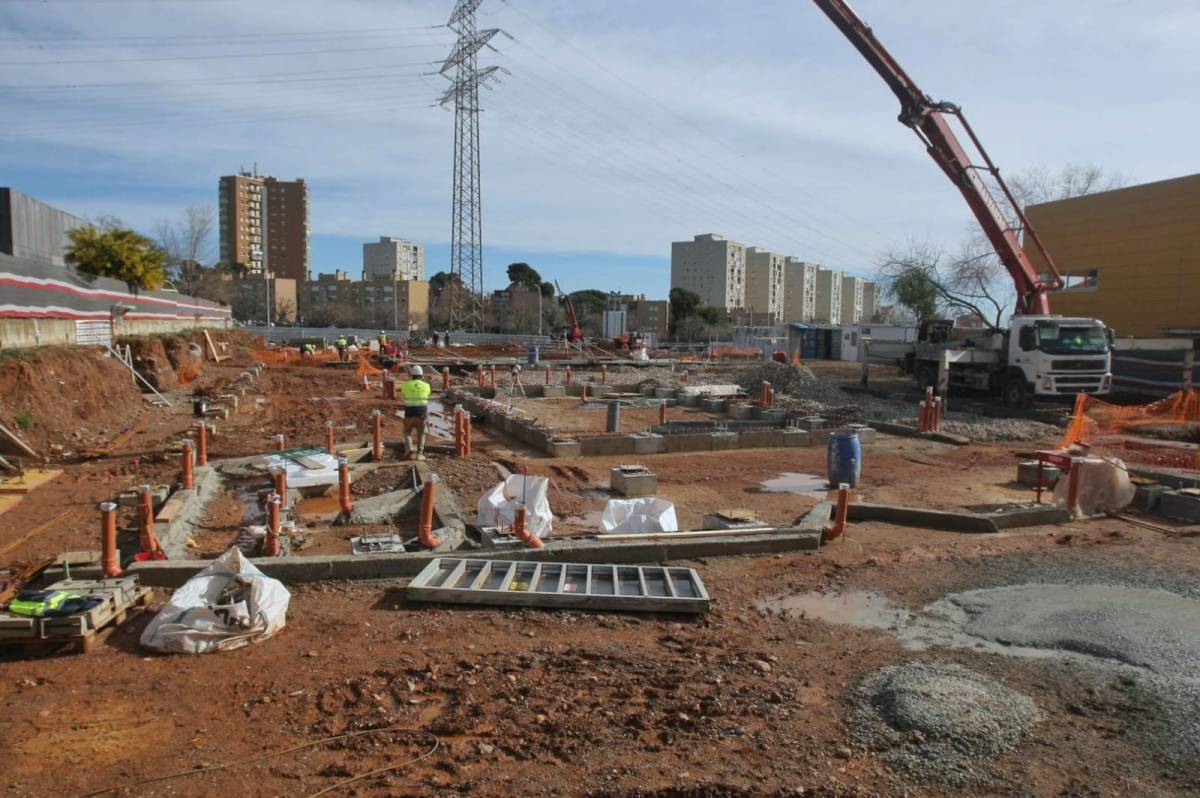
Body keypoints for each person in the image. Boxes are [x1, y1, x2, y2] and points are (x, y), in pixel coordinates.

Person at [400, 364, 431, 460]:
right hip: (421, 414)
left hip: (409, 414)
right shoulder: (427, 386)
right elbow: (427, 395)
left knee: (407, 432)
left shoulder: (405, 385)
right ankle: (420, 454)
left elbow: (403, 394)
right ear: (421, 375)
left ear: (411, 375)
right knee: (421, 433)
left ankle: (409, 448)